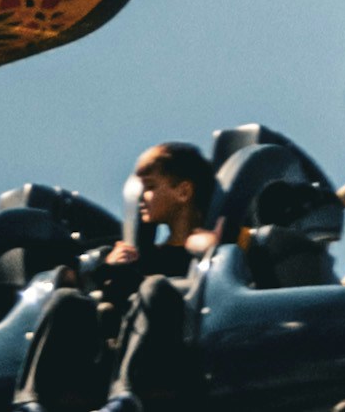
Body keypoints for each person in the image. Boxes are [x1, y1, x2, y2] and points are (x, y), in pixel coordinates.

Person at [14, 140, 221, 411]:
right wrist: (110, 271)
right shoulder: (147, 257)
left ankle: (126, 398)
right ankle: (29, 400)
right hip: (115, 353)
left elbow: (208, 280)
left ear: (183, 192)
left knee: (155, 287)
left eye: (150, 188)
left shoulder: (205, 248)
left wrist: (207, 245)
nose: (141, 198)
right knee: (67, 300)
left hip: (170, 358)